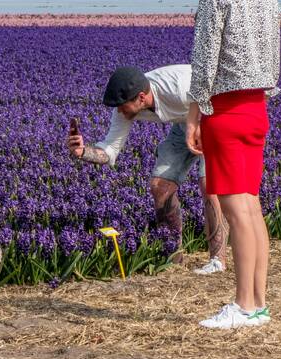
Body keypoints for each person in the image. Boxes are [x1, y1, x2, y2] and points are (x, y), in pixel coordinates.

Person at [185, 0, 281, 329]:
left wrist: (194, 115)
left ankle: (242, 305)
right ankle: (258, 303)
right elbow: (273, 60)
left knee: (235, 209)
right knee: (252, 207)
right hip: (257, 108)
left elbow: (204, 63)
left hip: (224, 112)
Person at [67, 65, 228, 274]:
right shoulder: (125, 109)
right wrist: (82, 152)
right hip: (183, 122)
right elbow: (110, 150)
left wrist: (201, 128)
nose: (119, 111)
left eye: (122, 106)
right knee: (160, 186)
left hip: (216, 114)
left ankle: (217, 260)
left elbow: (215, 92)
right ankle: (173, 258)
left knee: (210, 184)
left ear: (141, 98)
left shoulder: (177, 86)